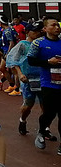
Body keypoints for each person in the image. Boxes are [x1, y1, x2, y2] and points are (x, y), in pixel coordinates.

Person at [26, 16, 61, 152]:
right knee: (49, 113)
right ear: (45, 28)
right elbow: (31, 61)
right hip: (49, 84)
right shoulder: (38, 43)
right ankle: (41, 131)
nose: (57, 27)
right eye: (53, 25)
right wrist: (48, 62)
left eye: (58, 25)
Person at [7, 20, 43, 136]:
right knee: (28, 105)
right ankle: (23, 120)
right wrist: (20, 74)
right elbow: (13, 60)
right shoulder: (22, 45)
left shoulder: (42, 44)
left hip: (43, 78)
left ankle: (44, 128)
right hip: (28, 79)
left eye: (39, 31)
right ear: (28, 32)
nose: (38, 33)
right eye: (35, 31)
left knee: (46, 105)